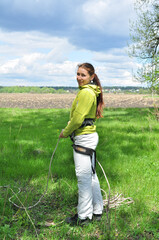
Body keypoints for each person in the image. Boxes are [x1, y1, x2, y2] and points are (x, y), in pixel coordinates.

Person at [59, 63, 104, 226]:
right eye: (77, 74)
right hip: (89, 136)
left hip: (84, 138)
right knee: (91, 176)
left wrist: (65, 131)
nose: (79, 77)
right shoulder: (91, 91)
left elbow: (78, 119)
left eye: (83, 75)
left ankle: (84, 216)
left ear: (92, 77)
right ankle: (97, 211)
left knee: (83, 178)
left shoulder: (86, 93)